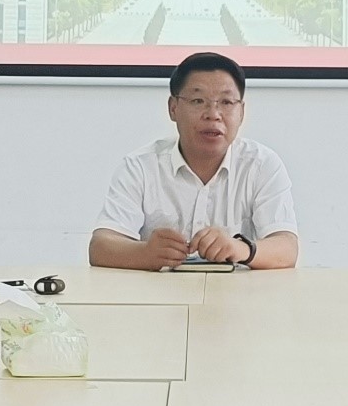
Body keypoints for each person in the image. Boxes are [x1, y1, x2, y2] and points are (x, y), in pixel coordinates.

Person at [90, 52, 298, 270]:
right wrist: (145, 253)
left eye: (226, 102)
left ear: (241, 112)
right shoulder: (140, 167)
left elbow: (287, 249)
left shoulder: (261, 165)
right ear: (173, 108)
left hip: (239, 290)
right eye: (198, 101)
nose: (213, 114)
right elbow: (100, 247)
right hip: (157, 290)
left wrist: (240, 249)